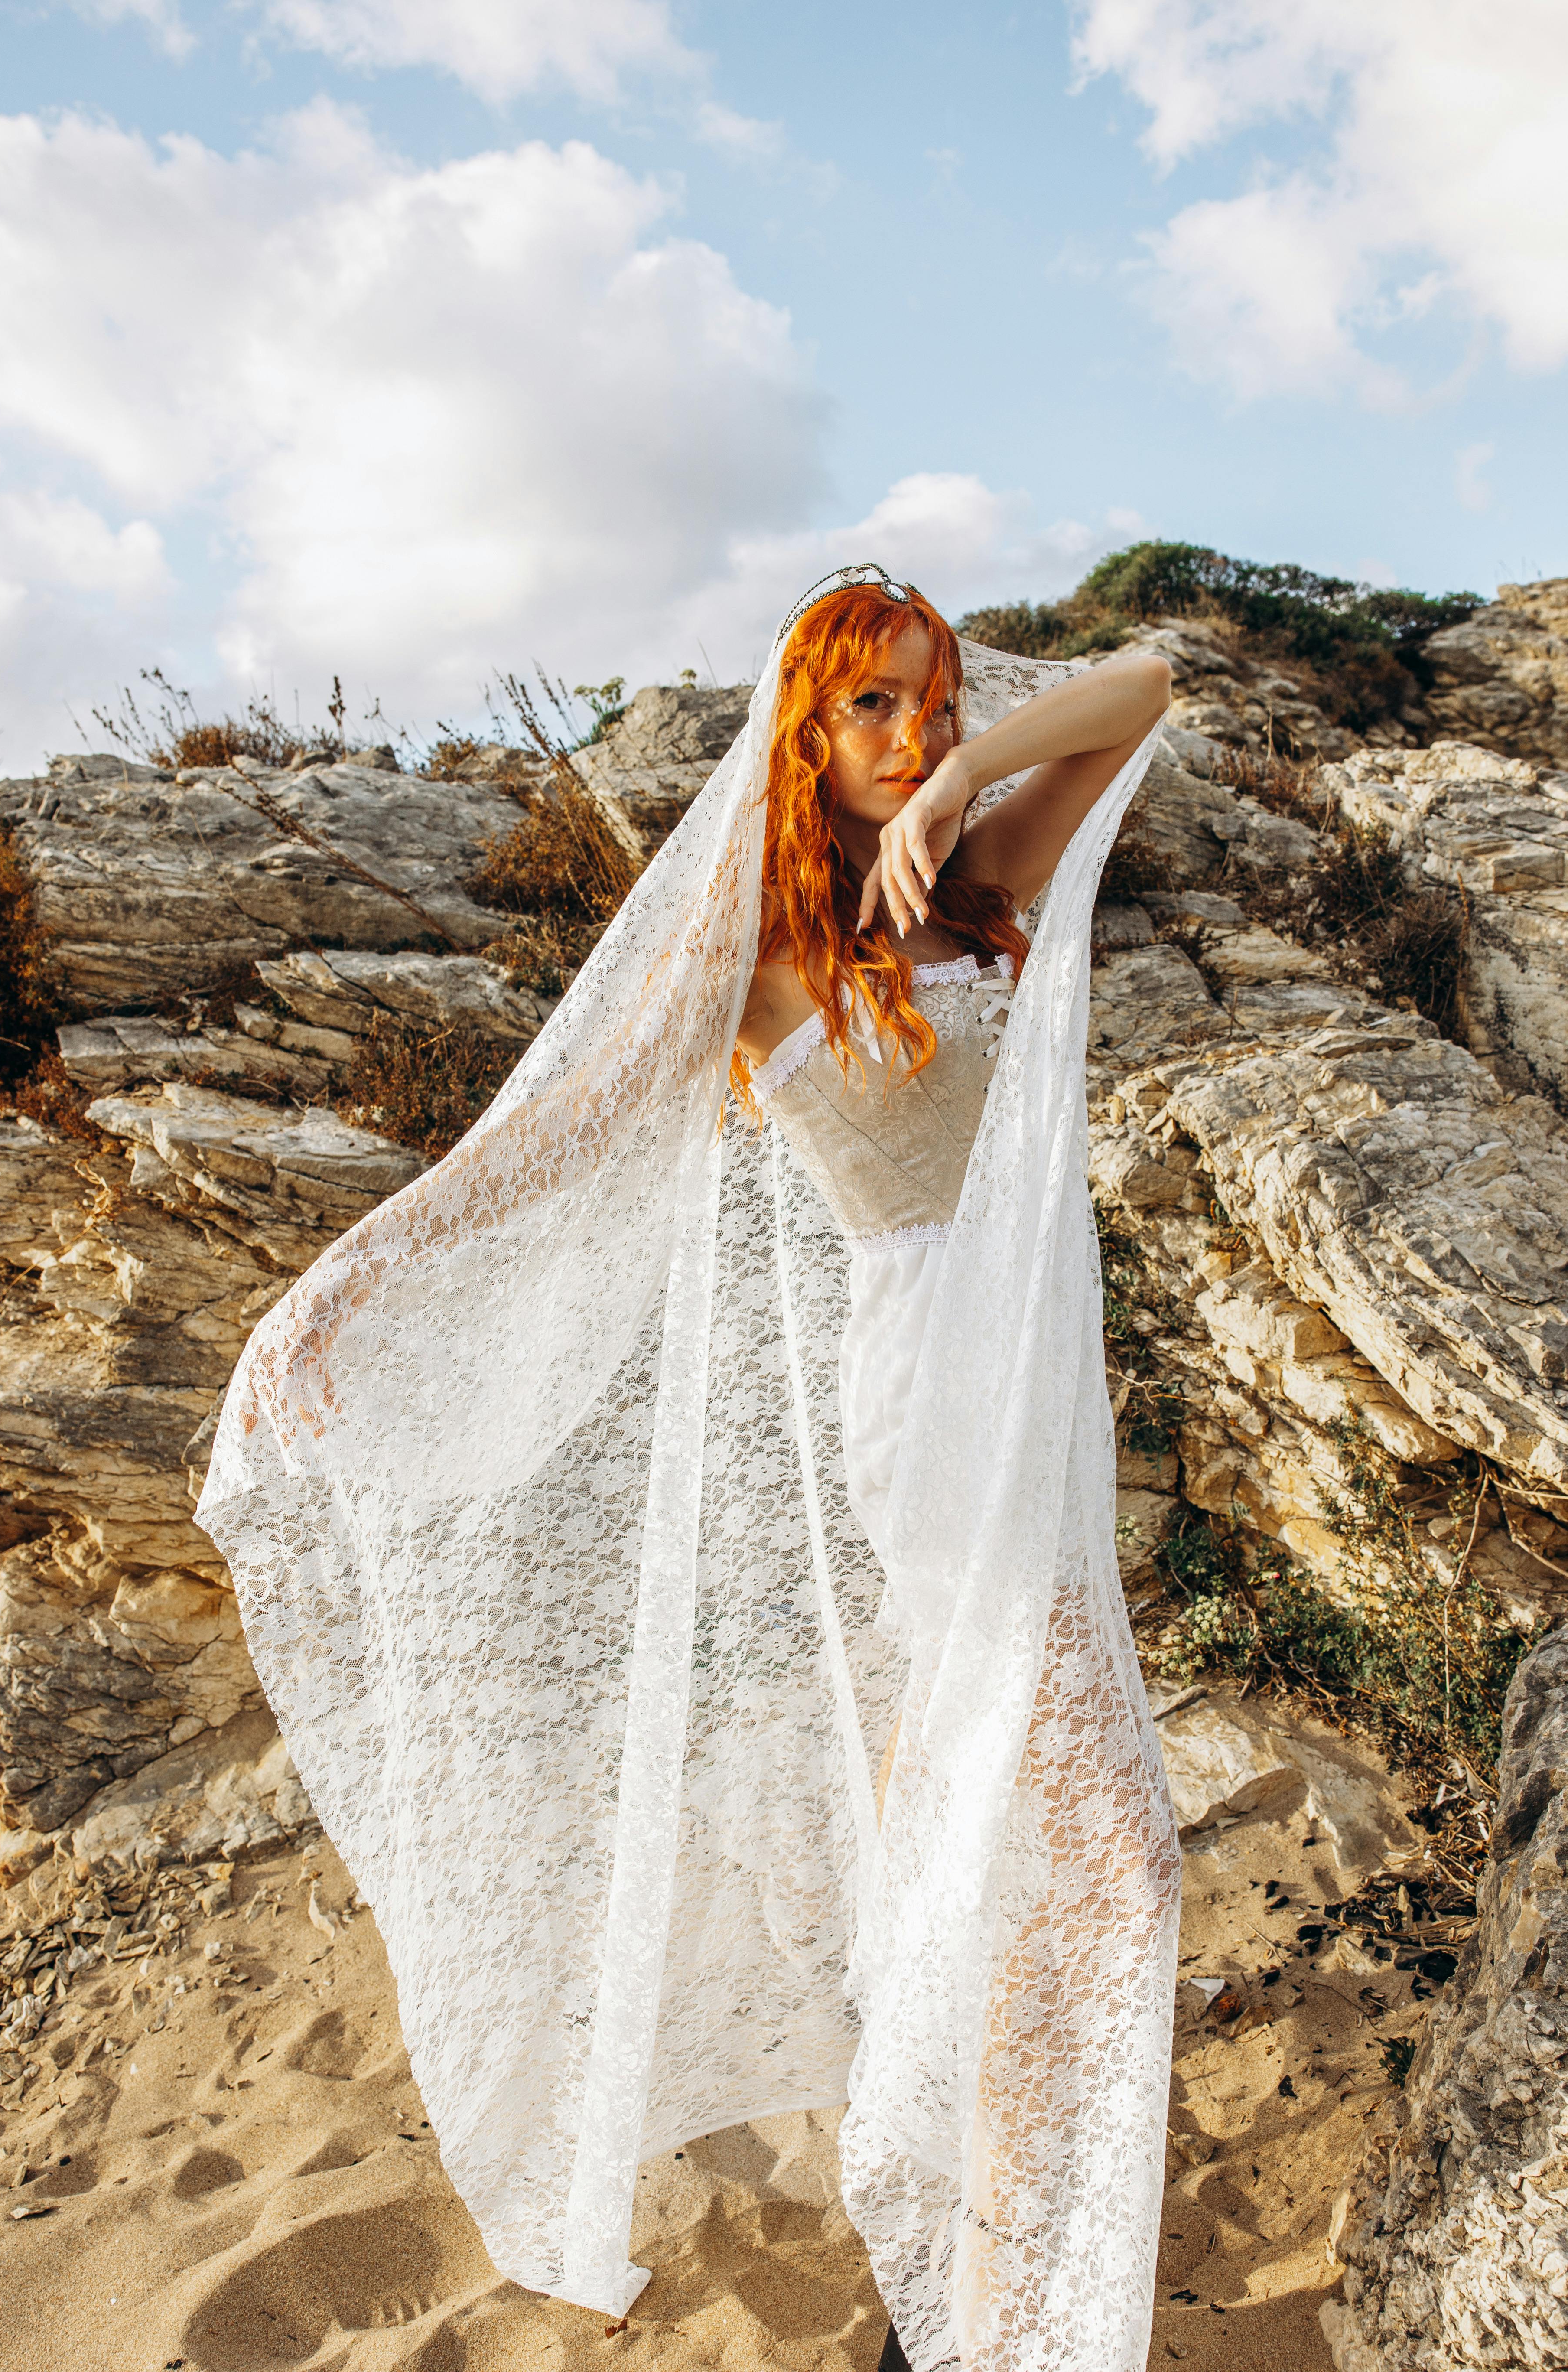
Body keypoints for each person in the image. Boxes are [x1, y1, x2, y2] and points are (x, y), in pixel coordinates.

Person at [198, 563, 1182, 2372]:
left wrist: (967, 780)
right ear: (803, 732)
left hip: (1039, 1390)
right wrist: (342, 1295)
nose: (915, 734)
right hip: (937, 1404)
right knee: (1110, 1854)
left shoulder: (978, 880)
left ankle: (937, 2275)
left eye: (935, 700)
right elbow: (558, 1139)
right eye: (874, 707)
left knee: (963, 1848)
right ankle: (995, 2305)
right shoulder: (753, 957)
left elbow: (1148, 678)